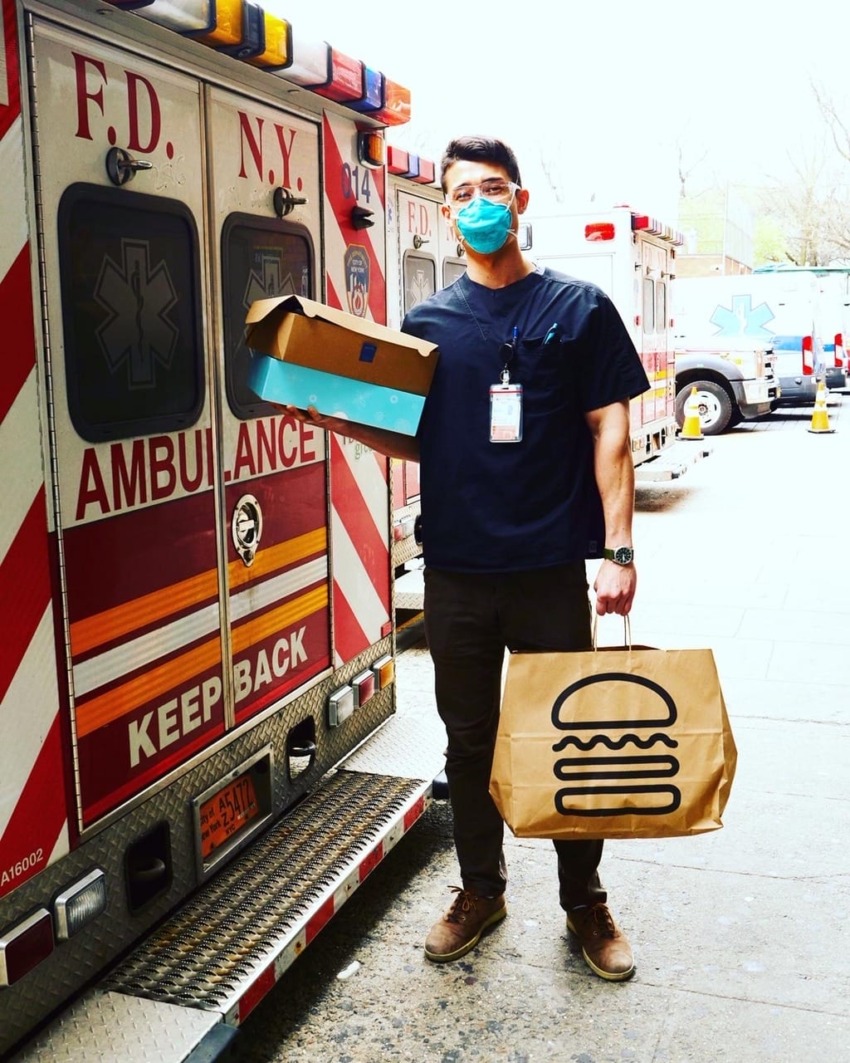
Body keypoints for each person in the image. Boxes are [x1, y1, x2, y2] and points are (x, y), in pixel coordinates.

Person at [279, 135, 649, 982]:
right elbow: (406, 433)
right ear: (445, 213)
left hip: (551, 568)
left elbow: (612, 433)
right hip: (455, 572)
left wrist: (619, 549)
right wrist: (333, 416)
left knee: (569, 737)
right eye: (461, 195)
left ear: (519, 201)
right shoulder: (430, 325)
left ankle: (583, 899)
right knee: (468, 742)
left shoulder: (580, 309)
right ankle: (481, 888)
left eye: (492, 189)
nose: (477, 205)